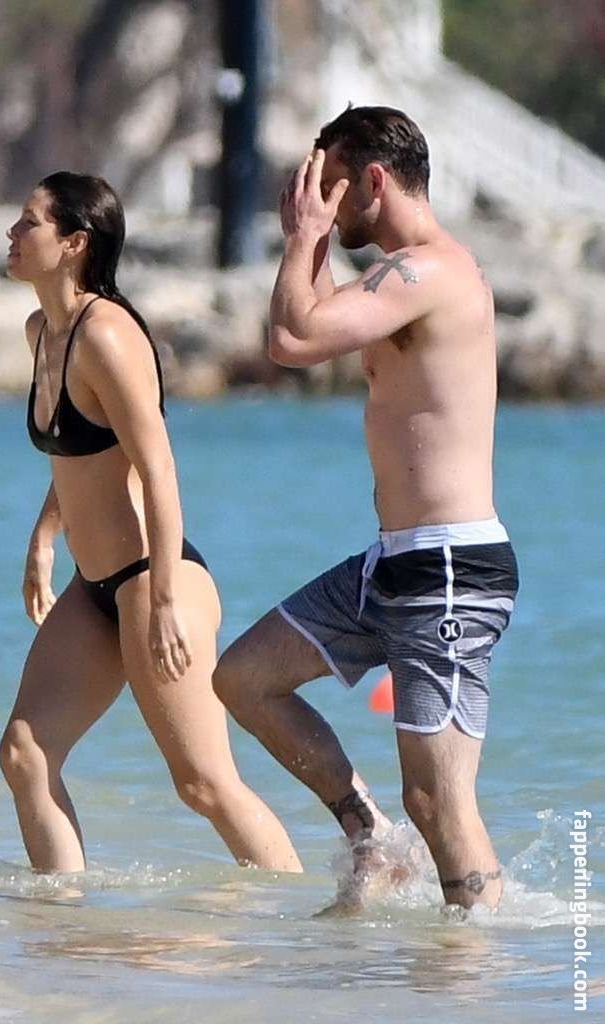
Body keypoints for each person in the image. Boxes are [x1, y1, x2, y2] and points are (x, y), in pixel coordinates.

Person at [213, 106, 519, 909]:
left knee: (439, 801)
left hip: (449, 569)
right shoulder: (399, 277)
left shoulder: (430, 274)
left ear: (375, 180)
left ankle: (475, 960)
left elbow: (291, 339)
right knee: (244, 679)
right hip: (394, 564)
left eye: (333, 185)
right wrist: (313, 240)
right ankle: (371, 838)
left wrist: (300, 238)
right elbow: (314, 330)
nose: (322, 201)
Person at [0, 171, 302, 875]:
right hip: (94, 585)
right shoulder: (42, 332)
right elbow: (80, 455)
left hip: (151, 577)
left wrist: (163, 598)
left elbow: (158, 468)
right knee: (25, 753)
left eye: (29, 222)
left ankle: (291, 919)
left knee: (204, 784)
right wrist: (44, 538)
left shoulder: (107, 335)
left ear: (74, 243)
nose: (12, 234)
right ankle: (63, 921)